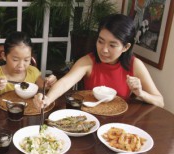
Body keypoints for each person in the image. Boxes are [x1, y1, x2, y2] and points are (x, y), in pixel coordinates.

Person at [34, 14, 164, 109]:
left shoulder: (135, 65)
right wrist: (47, 99)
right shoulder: (88, 61)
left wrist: (140, 93)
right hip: (90, 119)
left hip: (121, 124)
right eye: (100, 41)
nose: (104, 50)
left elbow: (160, 101)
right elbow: (65, 83)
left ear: (126, 47)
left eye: (112, 45)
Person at [0, 31, 57, 101]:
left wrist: (50, 82)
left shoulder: (32, 71)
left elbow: (44, 86)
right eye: (15, 60)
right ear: (4, 56)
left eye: (26, 60)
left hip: (27, 113)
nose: (21, 65)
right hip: (0, 116)